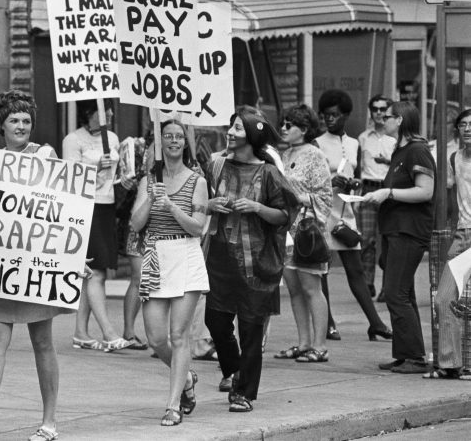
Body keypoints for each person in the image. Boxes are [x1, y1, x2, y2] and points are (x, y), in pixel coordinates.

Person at [0, 90, 70, 441]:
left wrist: (70, 257)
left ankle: (50, 421)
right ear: (1, 125)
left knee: (43, 342)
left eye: (27, 121)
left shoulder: (44, 154)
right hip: (3, 263)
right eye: (14, 120)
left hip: (38, 264)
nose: (21, 126)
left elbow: (64, 209)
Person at [203, 106, 299, 413]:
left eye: (237, 129)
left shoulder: (269, 172)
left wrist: (257, 207)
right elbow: (199, 201)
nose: (230, 133)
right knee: (215, 321)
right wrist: (210, 204)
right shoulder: (217, 166)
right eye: (231, 127)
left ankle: (244, 393)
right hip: (219, 261)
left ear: (253, 136)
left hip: (258, 265)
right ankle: (235, 369)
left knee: (251, 330)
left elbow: (285, 214)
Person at [131, 119, 209, 426]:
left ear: (186, 143)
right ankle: (187, 378)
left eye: (179, 136)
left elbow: (198, 227)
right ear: (160, 143)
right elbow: (136, 225)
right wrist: (152, 198)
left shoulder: (197, 181)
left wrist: (173, 207)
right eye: (168, 137)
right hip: (155, 259)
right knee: (156, 339)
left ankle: (173, 404)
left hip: (185, 255)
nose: (174, 141)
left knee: (179, 335)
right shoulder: (149, 180)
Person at [315, 89, 392, 342]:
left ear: (346, 115)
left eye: (335, 115)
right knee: (322, 271)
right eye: (326, 115)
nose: (330, 119)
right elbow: (312, 181)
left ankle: (376, 323)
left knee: (356, 270)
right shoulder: (317, 143)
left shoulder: (354, 143)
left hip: (346, 213)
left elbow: (356, 173)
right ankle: (327, 323)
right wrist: (330, 179)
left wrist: (355, 184)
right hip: (322, 213)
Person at [364, 101, 435, 374]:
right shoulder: (401, 151)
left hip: (409, 230)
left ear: (401, 120)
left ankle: (414, 357)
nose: (383, 119)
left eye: (389, 115)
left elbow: (425, 191)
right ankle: (407, 354)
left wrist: (388, 193)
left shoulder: (417, 150)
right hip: (395, 229)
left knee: (395, 293)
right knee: (403, 293)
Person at [64, 99, 130, 352]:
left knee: (93, 272)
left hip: (106, 205)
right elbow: (68, 175)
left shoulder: (112, 138)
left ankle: (81, 332)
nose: (110, 114)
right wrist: (93, 166)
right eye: (105, 110)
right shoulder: (73, 139)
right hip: (84, 206)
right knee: (96, 271)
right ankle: (108, 332)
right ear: (90, 113)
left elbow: (116, 174)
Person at [275, 105, 333, 363]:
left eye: (290, 125)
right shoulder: (282, 154)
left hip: (307, 228)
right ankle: (303, 342)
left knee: (311, 287)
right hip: (285, 229)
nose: (284, 128)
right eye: (283, 124)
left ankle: (320, 345)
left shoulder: (314, 155)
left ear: (305, 129)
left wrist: (298, 197)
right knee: (294, 288)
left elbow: (325, 195)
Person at [428, 108, 471, 379]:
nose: (467, 129)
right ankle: (449, 364)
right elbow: (441, 189)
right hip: (461, 236)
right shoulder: (454, 157)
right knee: (444, 298)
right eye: (463, 125)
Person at [357, 95, 396, 299]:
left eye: (383, 109)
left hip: (389, 191)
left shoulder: (396, 138)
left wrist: (388, 161)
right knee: (366, 239)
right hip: (368, 190)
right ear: (370, 111)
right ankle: (367, 284)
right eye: (375, 109)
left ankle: (387, 287)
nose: (379, 113)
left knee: (389, 239)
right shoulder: (363, 138)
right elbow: (358, 168)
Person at [116, 135, 149, 350]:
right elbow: (123, 179)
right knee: (138, 280)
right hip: (138, 223)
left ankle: (158, 336)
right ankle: (128, 331)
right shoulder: (136, 147)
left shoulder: (184, 152)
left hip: (164, 227)